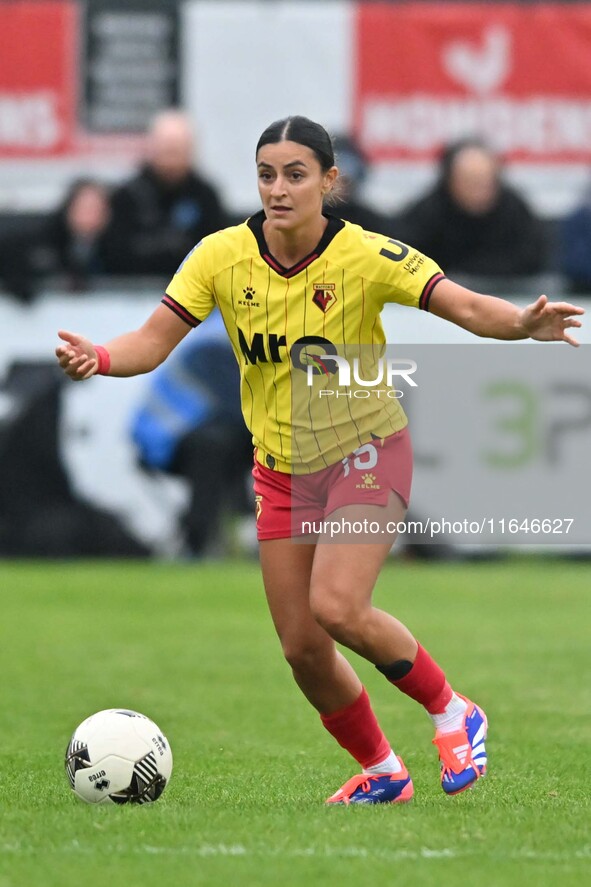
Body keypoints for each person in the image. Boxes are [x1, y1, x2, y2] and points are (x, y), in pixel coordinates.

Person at [56, 116, 583, 805]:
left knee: (336, 604)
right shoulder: (220, 255)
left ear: (329, 182)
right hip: (280, 468)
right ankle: (383, 770)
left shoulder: (365, 255)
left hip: (365, 452)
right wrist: (98, 357)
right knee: (302, 648)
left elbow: (461, 304)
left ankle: (453, 710)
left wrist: (518, 324)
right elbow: (152, 341)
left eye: (295, 175)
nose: (278, 189)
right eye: (267, 175)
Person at [130, 310, 253, 557]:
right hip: (167, 437)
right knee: (216, 445)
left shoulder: (223, 330)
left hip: (186, 431)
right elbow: (240, 406)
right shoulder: (219, 341)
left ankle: (237, 526)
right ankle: (200, 541)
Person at [397, 138, 548, 278]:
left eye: (485, 181)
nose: (478, 190)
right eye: (469, 181)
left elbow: (533, 259)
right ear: (450, 180)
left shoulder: (515, 212)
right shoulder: (426, 214)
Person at [107, 109, 226, 276]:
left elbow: (218, 255)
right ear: (152, 149)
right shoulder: (127, 197)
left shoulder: (206, 197)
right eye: (167, 151)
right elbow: (115, 256)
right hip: (134, 292)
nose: (171, 162)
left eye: (177, 152)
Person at [0, 179, 116, 302]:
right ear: (69, 208)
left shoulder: (116, 247)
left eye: (97, 209)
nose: (91, 216)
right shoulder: (44, 241)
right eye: (85, 208)